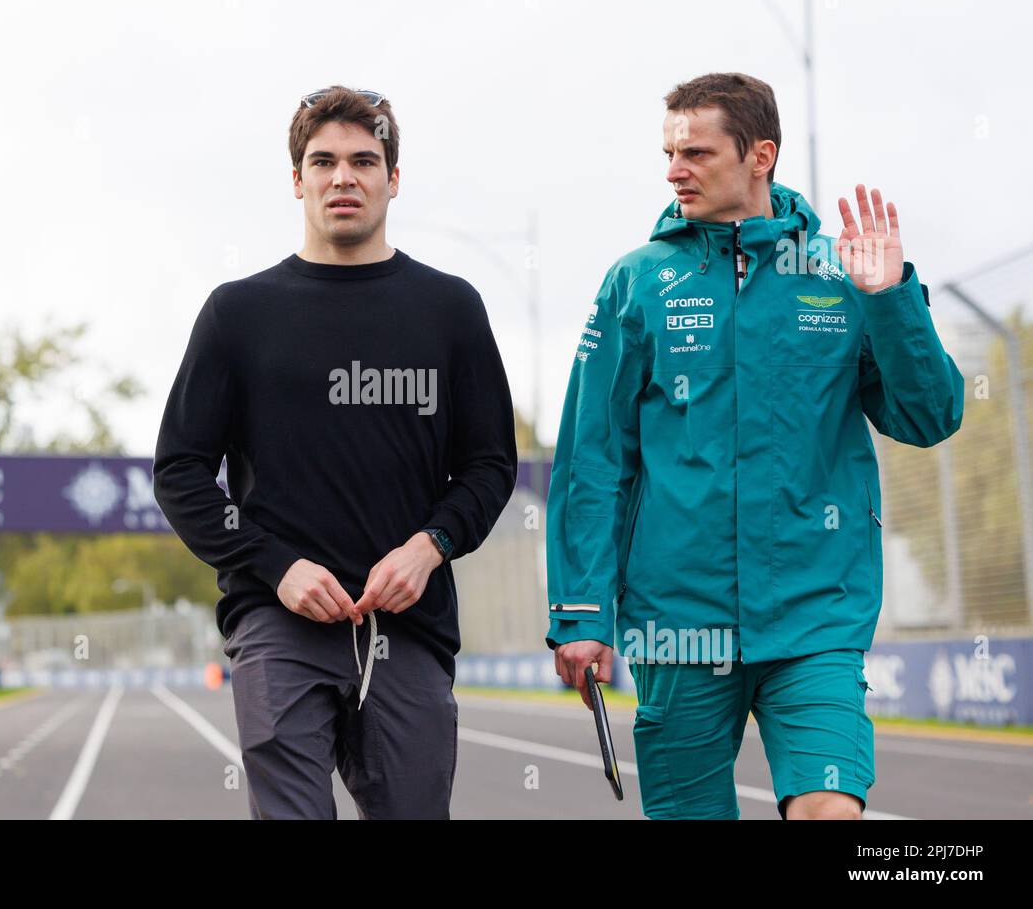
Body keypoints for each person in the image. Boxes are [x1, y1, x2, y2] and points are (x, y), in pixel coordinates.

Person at [546, 72, 964, 820]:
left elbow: (928, 416)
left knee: (829, 809)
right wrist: (581, 613)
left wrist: (892, 298)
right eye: (669, 152)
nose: (674, 170)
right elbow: (592, 460)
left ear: (760, 155)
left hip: (815, 614)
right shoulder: (636, 284)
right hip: (678, 621)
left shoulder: (842, 275)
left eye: (696, 152)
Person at [153, 86, 517, 819]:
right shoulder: (238, 312)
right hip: (278, 622)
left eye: (363, 160)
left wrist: (429, 546)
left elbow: (490, 464)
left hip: (407, 629)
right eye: (323, 161)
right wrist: (274, 566)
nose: (342, 177)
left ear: (393, 178)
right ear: (297, 180)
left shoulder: (449, 308)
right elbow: (180, 472)